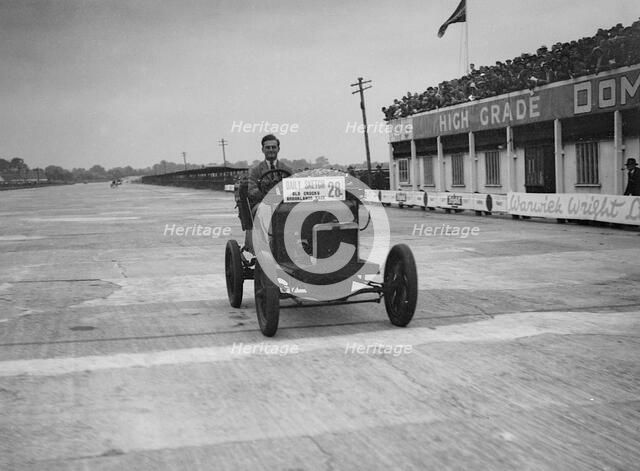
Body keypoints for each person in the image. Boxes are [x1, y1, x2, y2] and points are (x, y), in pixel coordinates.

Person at [247, 134, 292, 206]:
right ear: (263, 150)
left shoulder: (287, 169)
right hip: (263, 204)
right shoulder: (255, 171)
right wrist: (269, 195)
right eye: (268, 148)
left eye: (273, 147)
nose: (271, 150)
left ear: (278, 149)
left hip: (283, 204)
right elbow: (251, 191)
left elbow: (293, 189)